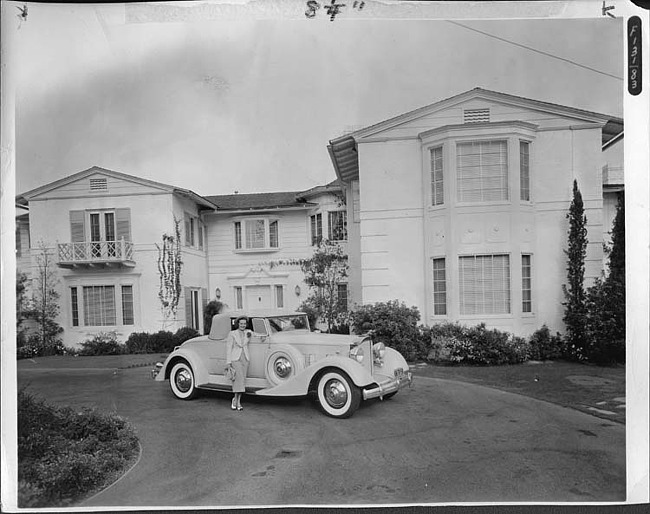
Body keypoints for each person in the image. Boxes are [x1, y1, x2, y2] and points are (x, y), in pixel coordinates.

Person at [226, 315, 251, 411]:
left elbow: (257, 334)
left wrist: (262, 338)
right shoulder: (232, 334)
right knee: (238, 380)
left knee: (242, 380)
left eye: (244, 324)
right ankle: (237, 402)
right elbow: (228, 348)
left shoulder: (248, 332)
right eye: (241, 324)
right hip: (235, 359)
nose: (243, 325)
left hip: (245, 358)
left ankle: (236, 400)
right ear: (238, 324)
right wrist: (228, 362)